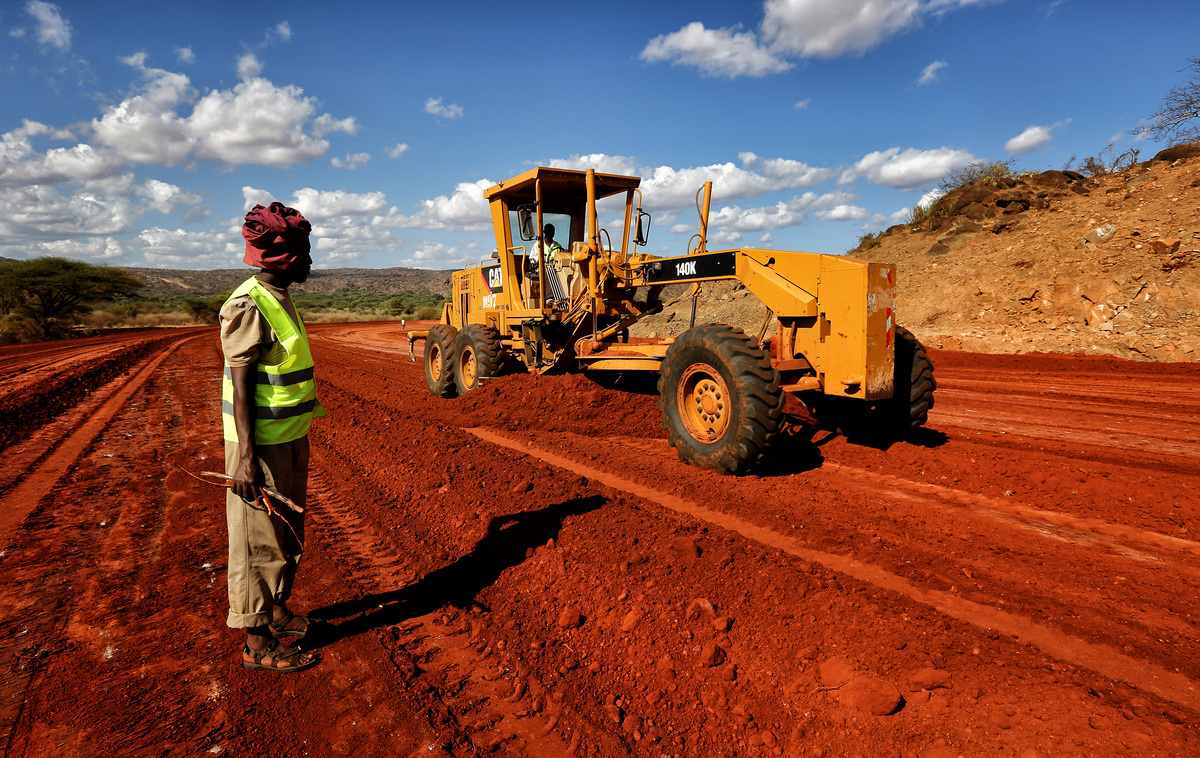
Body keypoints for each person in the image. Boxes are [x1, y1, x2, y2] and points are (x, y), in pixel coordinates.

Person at [219, 202, 326, 673]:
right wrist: (245, 457)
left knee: (284, 533)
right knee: (256, 540)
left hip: (288, 438)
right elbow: (240, 387)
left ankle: (277, 610)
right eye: (304, 254)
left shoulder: (280, 296)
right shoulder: (248, 304)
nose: (309, 262)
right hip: (257, 446)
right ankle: (256, 643)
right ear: (285, 259)